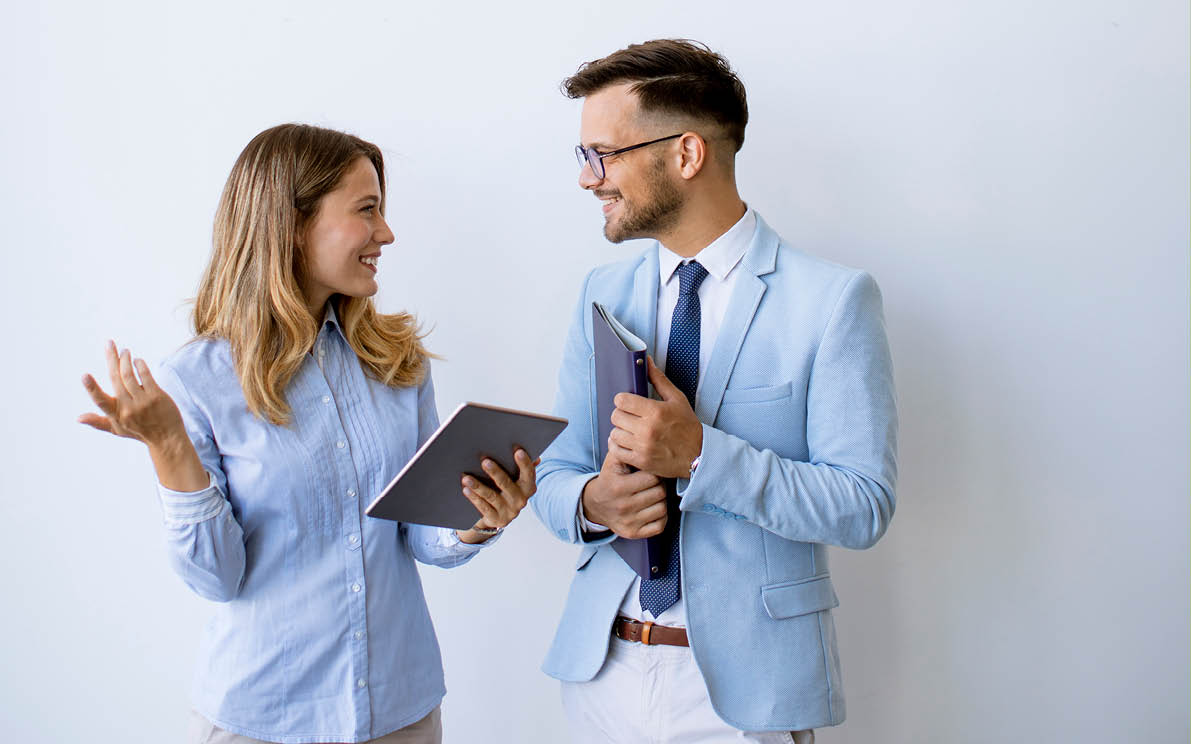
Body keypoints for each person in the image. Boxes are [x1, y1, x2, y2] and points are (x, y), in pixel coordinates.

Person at [78, 124, 536, 744]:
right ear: (293, 225)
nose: (387, 234)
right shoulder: (198, 381)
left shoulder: (397, 361)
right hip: (266, 719)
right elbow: (217, 578)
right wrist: (168, 446)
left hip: (403, 712)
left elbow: (420, 538)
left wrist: (478, 517)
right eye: (367, 210)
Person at [531, 40, 898, 743]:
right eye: (583, 157)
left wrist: (701, 457)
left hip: (741, 698)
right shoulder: (601, 294)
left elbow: (862, 505)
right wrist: (590, 501)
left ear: (686, 154)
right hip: (601, 672)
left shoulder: (832, 301)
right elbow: (558, 470)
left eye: (602, 154)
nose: (587, 179)